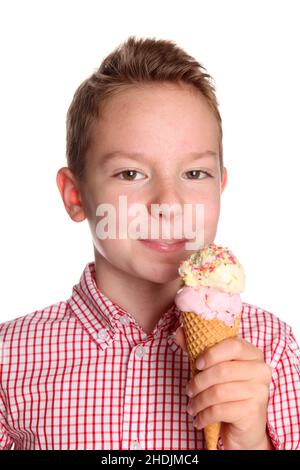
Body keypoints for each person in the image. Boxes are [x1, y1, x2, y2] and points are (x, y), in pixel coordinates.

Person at [0, 36, 299, 450]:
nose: (169, 204)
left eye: (195, 174)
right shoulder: (9, 360)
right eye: (130, 174)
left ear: (221, 188)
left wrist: (251, 443)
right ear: (75, 195)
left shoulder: (272, 353)